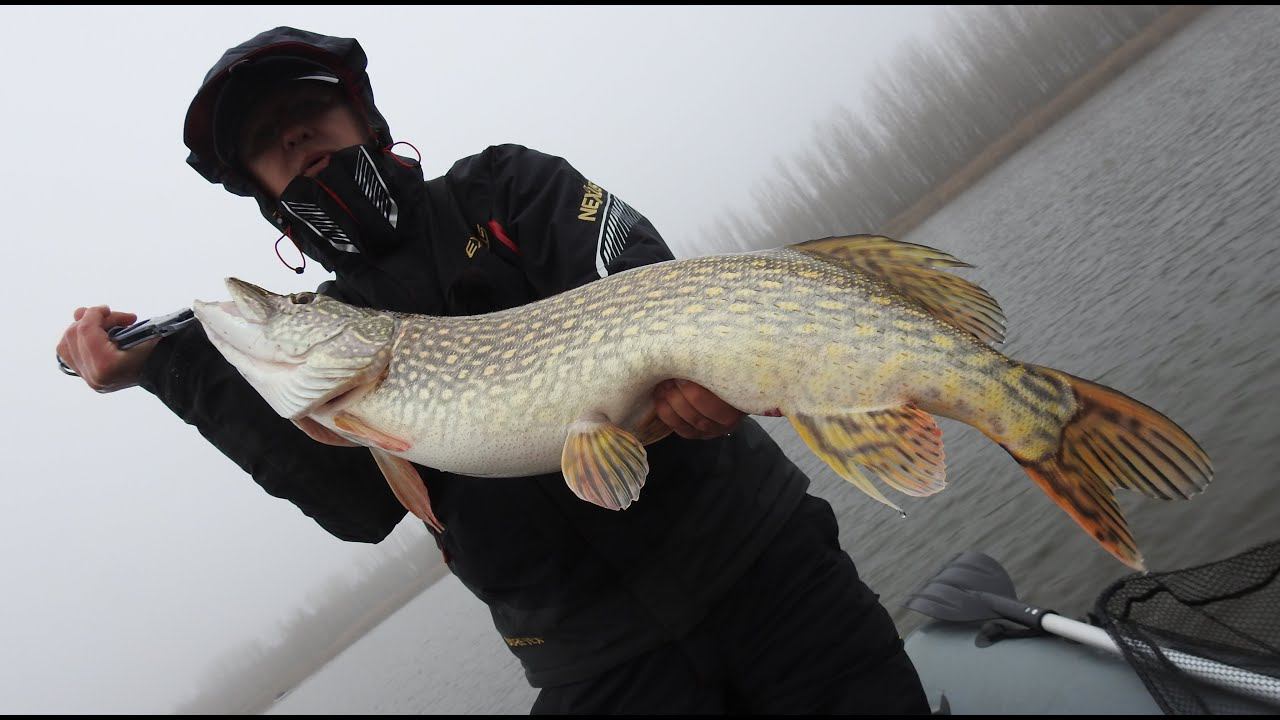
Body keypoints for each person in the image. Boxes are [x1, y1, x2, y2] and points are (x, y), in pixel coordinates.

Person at [56, 26, 928, 714]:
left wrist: (692, 382)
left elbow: (639, 279)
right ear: (261, 190)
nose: (295, 141)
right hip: (595, 665)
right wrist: (173, 374)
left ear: (365, 120)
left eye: (306, 113)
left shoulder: (508, 189)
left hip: (770, 573)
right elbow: (356, 504)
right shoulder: (341, 350)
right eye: (267, 143)